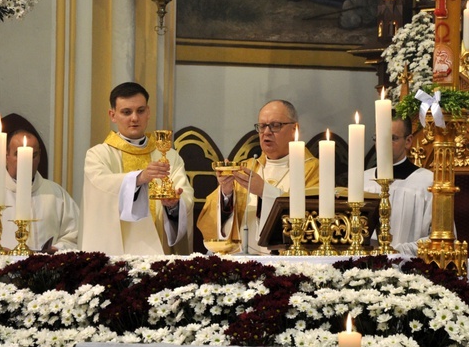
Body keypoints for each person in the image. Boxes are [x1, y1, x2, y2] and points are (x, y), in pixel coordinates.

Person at [80, 82, 194, 256]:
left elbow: (184, 193)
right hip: (116, 253)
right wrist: (139, 178)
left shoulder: (169, 156)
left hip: (161, 252)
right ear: (113, 115)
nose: (134, 118)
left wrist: (173, 206)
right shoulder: (98, 155)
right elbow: (100, 189)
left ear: (148, 112)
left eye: (140, 111)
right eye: (126, 112)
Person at [198, 100, 319, 254]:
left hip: (287, 262)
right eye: (262, 126)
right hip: (243, 261)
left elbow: (313, 220)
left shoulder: (312, 169)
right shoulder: (247, 167)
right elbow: (214, 226)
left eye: (275, 125)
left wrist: (264, 191)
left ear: (294, 129)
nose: (266, 132)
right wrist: (226, 193)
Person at [0, 130, 80, 253]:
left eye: (34, 155)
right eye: (18, 154)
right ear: (6, 156)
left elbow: (76, 236)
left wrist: (56, 249)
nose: (27, 160)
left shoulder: (56, 195)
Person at [363, 115, 433, 256]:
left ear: (408, 141)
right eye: (379, 137)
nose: (383, 144)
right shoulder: (363, 180)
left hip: (411, 268)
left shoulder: (428, 182)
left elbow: (439, 238)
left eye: (392, 138)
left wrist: (397, 252)